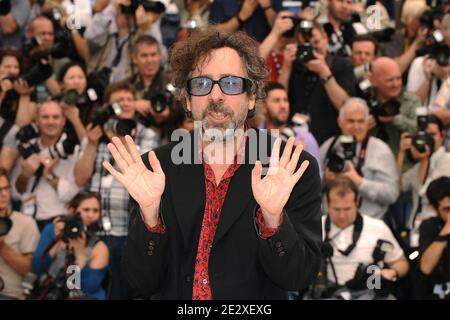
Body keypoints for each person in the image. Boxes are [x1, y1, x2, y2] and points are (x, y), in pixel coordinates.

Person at [104, 27, 323, 299]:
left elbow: (298, 277)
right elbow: (141, 281)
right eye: (202, 84)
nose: (216, 96)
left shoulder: (290, 166)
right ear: (187, 99)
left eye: (230, 83)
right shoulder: (155, 168)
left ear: (251, 96)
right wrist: (150, 216)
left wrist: (273, 220)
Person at [73, 80, 158, 299]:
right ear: (109, 107)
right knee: (85, 289)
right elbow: (80, 178)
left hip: (129, 232)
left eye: (130, 99)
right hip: (96, 231)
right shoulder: (95, 136)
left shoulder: (146, 135)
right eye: (119, 101)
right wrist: (91, 144)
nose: (126, 104)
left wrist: (123, 141)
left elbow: (147, 173)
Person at [317, 177, 409, 299]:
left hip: (371, 291)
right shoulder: (316, 228)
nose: (342, 215)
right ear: (327, 204)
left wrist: (392, 272)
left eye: (347, 209)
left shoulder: (378, 227)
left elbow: (401, 263)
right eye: (336, 209)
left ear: (357, 202)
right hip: (328, 292)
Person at [320, 98, 398, 219]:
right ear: (340, 122)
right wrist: (325, 180)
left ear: (368, 123)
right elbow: (311, 188)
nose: (356, 127)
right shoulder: (328, 147)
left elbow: (391, 194)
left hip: (370, 224)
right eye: (350, 121)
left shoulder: (381, 150)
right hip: (331, 222)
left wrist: (359, 182)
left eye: (361, 121)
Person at [10, 100, 81, 231]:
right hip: (28, 219)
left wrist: (48, 174)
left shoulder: (74, 149)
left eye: (55, 117)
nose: (50, 122)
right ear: (36, 120)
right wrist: (25, 175)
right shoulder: (26, 146)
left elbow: (72, 194)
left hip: (59, 220)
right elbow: (16, 192)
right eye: (45, 117)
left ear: (63, 120)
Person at [32, 191, 109, 300]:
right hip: (51, 292)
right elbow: (37, 268)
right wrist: (58, 240)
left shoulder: (99, 247)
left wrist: (79, 253)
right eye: (86, 210)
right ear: (73, 210)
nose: (90, 215)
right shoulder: (52, 230)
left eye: (95, 210)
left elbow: (87, 288)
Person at [259, 82, 321, 169]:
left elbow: (318, 178)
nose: (283, 105)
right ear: (264, 107)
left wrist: (301, 159)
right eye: (276, 100)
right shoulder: (252, 139)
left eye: (285, 100)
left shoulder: (306, 139)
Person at [0, 167, 40, 300]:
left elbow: (30, 270)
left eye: (6, 189)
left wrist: (3, 247)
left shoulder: (25, 223)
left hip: (10, 295)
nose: (4, 194)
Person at [419, 177, 450, 299]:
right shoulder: (429, 226)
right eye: (447, 209)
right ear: (434, 208)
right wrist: (445, 232)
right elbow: (425, 268)